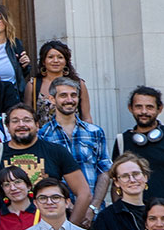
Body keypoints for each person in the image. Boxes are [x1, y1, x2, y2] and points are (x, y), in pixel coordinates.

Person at [0, 104, 92, 223]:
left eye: (27, 120)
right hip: (7, 228)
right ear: (7, 126)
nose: (21, 124)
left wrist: (70, 229)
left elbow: (83, 193)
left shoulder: (56, 151)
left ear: (37, 125)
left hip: (50, 227)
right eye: (15, 121)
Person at [38, 80, 111, 208]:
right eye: (63, 95)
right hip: (60, 210)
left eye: (73, 95)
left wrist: (93, 207)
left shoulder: (95, 132)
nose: (69, 100)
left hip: (94, 212)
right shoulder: (43, 135)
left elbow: (104, 171)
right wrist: (71, 207)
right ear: (52, 99)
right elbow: (44, 176)